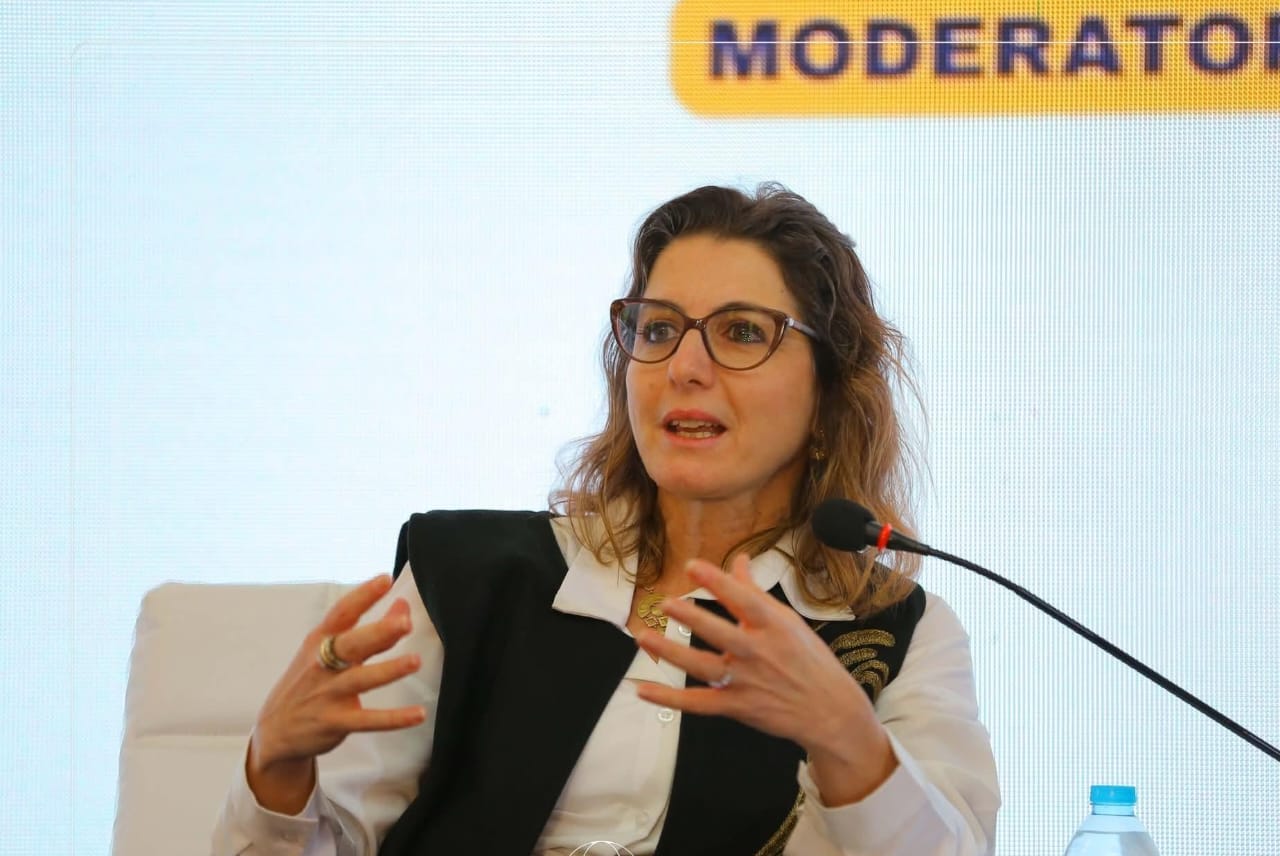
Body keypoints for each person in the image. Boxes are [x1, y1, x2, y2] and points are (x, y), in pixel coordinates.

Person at [213, 184, 1000, 855]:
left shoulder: (895, 633)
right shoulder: (465, 579)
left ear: (829, 396)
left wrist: (850, 741)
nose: (684, 367)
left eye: (741, 333)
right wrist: (275, 769)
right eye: (658, 329)